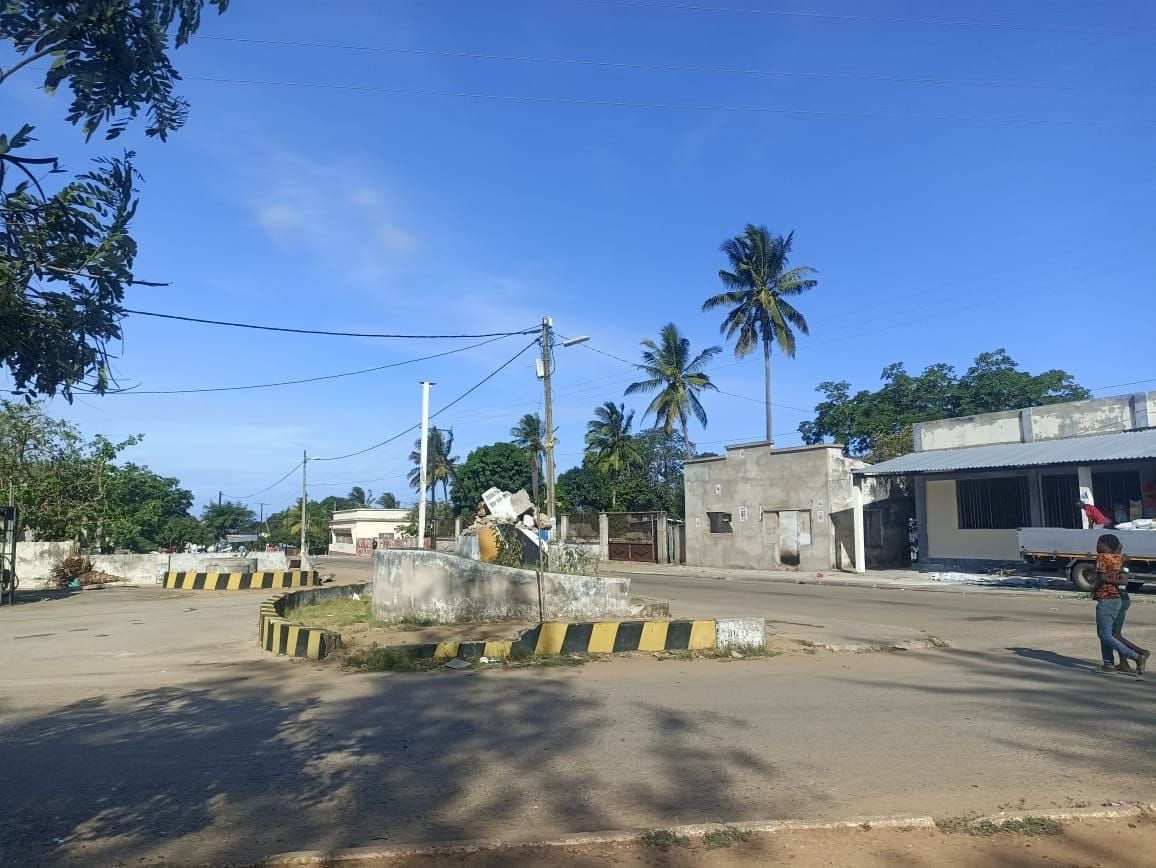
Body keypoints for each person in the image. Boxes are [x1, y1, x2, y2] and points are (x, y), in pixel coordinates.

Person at [1093, 534, 1144, 675]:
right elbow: (1123, 580)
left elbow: (1101, 578)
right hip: (1117, 599)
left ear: (1105, 545)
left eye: (1099, 543)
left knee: (1104, 634)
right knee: (1107, 633)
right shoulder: (1118, 559)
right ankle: (1108, 665)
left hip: (1106, 598)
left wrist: (1094, 588)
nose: (1097, 546)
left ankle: (1136, 656)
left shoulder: (1102, 557)